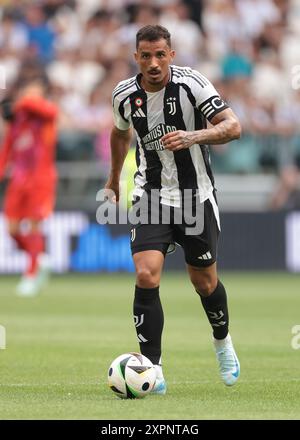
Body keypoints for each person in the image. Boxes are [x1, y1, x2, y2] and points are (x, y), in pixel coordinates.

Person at [105, 25, 241, 394]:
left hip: (196, 198)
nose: (153, 63)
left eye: (160, 55)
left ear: (172, 55)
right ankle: (153, 369)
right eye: (146, 55)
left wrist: (193, 136)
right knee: (146, 275)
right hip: (150, 196)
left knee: (205, 282)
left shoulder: (192, 84)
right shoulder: (123, 94)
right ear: (136, 57)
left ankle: (222, 341)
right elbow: (119, 133)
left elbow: (233, 127)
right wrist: (114, 178)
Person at [0, 75, 58, 296]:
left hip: (40, 179)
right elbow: (8, 148)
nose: (30, 95)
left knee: (34, 227)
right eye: (28, 90)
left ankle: (31, 275)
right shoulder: (18, 120)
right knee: (12, 230)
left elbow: (48, 111)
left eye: (34, 90)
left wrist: (19, 102)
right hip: (19, 180)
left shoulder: (46, 116)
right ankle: (40, 259)